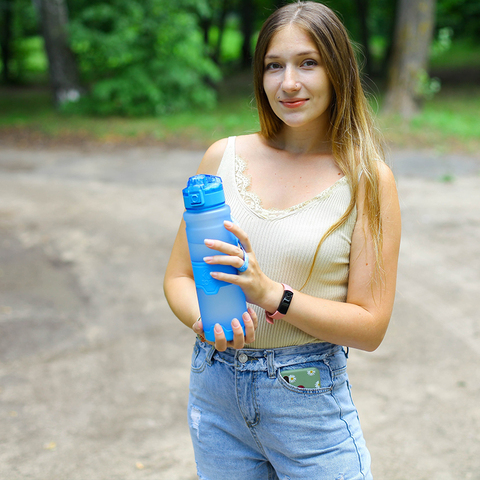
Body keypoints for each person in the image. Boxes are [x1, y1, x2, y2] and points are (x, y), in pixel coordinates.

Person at [164, 1, 401, 478]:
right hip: (216, 395)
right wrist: (206, 320)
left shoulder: (368, 180)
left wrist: (271, 293)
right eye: (274, 65)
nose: (288, 83)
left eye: (307, 63)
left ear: (338, 72)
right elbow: (178, 278)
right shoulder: (222, 158)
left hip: (306, 399)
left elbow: (370, 326)